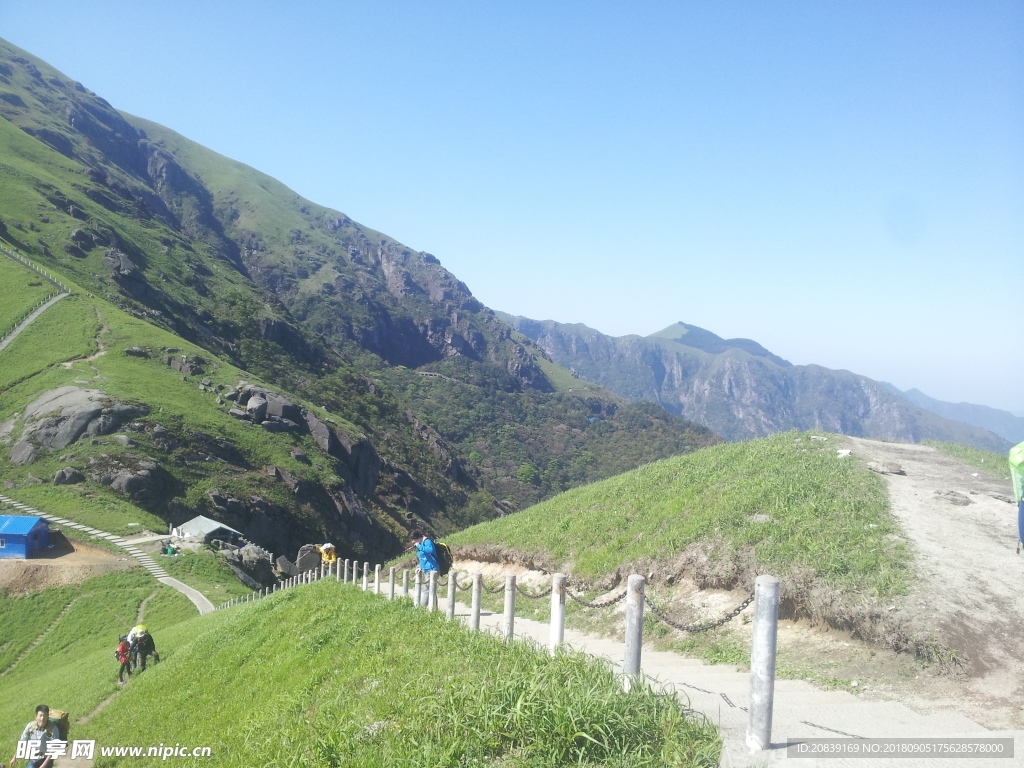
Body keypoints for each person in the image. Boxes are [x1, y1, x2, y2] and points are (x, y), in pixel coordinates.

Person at [411, 530, 438, 607]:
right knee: (430, 590)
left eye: (413, 539)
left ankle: (421, 609)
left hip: (432, 569)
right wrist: (420, 567)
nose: (413, 542)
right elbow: (423, 558)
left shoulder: (427, 542)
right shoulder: (421, 544)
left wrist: (419, 546)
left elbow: (430, 550)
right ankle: (434, 608)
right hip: (426, 569)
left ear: (417, 538)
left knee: (427, 590)